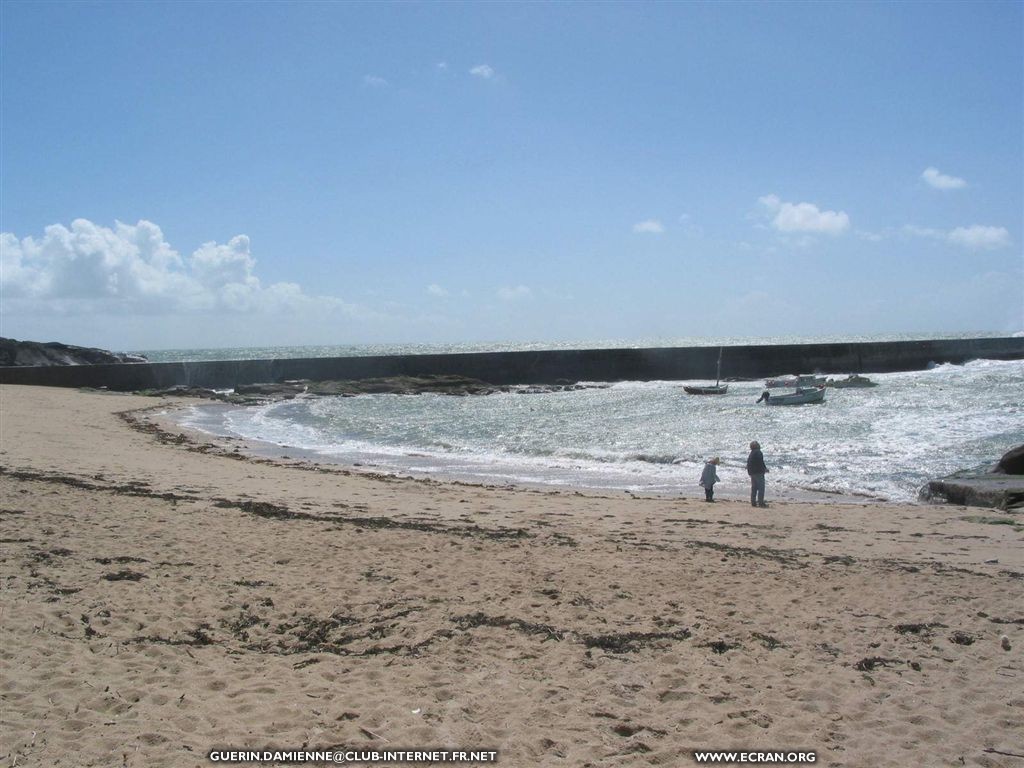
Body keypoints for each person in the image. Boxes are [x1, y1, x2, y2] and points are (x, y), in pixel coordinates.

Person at [746, 441, 768, 507]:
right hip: (758, 472)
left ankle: (753, 502)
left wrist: (749, 471)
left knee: (754, 488)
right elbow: (760, 462)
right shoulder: (758, 452)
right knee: (761, 488)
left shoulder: (751, 453)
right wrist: (764, 469)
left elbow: (749, 463)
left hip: (752, 472)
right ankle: (761, 502)